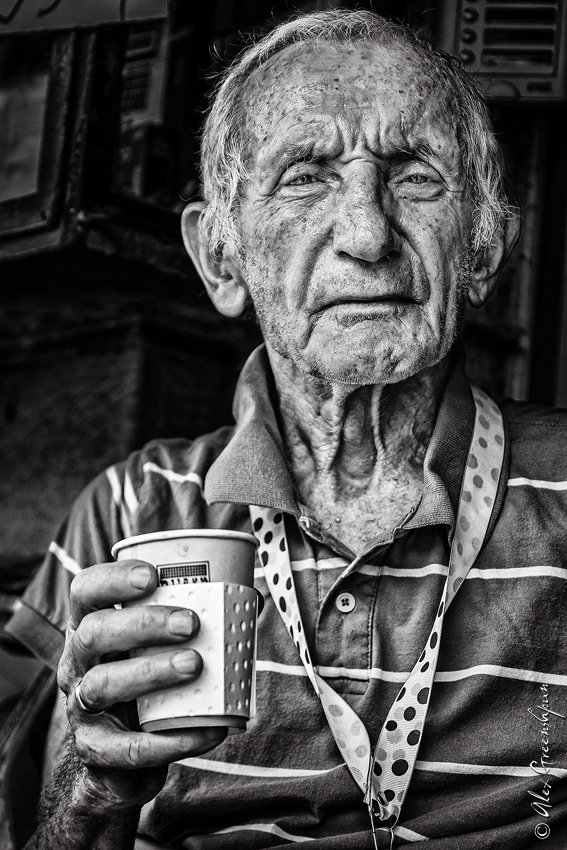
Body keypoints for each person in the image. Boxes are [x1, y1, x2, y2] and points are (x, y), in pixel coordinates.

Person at [7, 8, 567, 849]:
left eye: (414, 174)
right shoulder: (129, 515)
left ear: (483, 249)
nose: (368, 236)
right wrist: (89, 793)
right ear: (220, 259)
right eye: (304, 176)